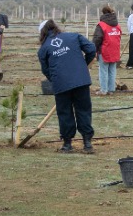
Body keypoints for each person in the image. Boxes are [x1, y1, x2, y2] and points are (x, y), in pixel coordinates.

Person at [36, 19, 97, 152]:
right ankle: (87, 143)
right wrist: (83, 66)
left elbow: (46, 70)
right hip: (81, 80)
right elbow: (91, 49)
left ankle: (67, 144)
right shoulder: (73, 36)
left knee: (64, 112)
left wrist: (55, 79)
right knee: (83, 110)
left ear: (42, 32)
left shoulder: (44, 48)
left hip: (61, 84)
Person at [93, 6, 122, 95]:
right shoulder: (117, 25)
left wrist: (93, 49)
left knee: (103, 71)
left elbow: (97, 38)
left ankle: (103, 90)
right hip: (115, 51)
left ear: (103, 13)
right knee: (112, 70)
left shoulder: (101, 25)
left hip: (105, 51)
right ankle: (111, 89)